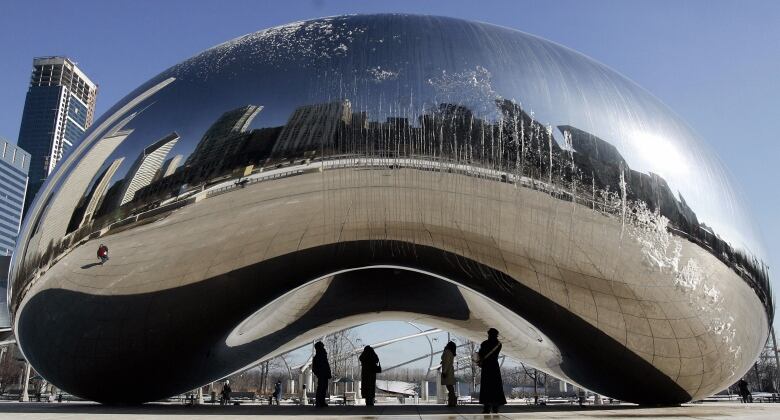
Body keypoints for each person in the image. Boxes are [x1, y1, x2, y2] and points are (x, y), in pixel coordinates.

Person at [477, 328, 506, 413]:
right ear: (496, 335)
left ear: (488, 334)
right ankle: (495, 407)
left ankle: (486, 408)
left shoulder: (484, 344)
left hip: (486, 367)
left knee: (486, 387)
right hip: (494, 367)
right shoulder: (499, 344)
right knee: (496, 387)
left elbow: (480, 354)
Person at [312, 341, 332, 407]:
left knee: (322, 388)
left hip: (322, 374)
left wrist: (318, 373)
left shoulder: (320, 356)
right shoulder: (321, 355)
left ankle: (320, 402)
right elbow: (325, 365)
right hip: (323, 374)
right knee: (322, 388)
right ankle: (320, 402)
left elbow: (314, 368)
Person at [441, 341, 457, 407]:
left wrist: (444, 372)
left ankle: (452, 402)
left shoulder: (447, 352)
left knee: (449, 387)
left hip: (447, 371)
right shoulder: (451, 353)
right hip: (450, 370)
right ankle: (452, 401)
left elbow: (446, 362)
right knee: (450, 387)